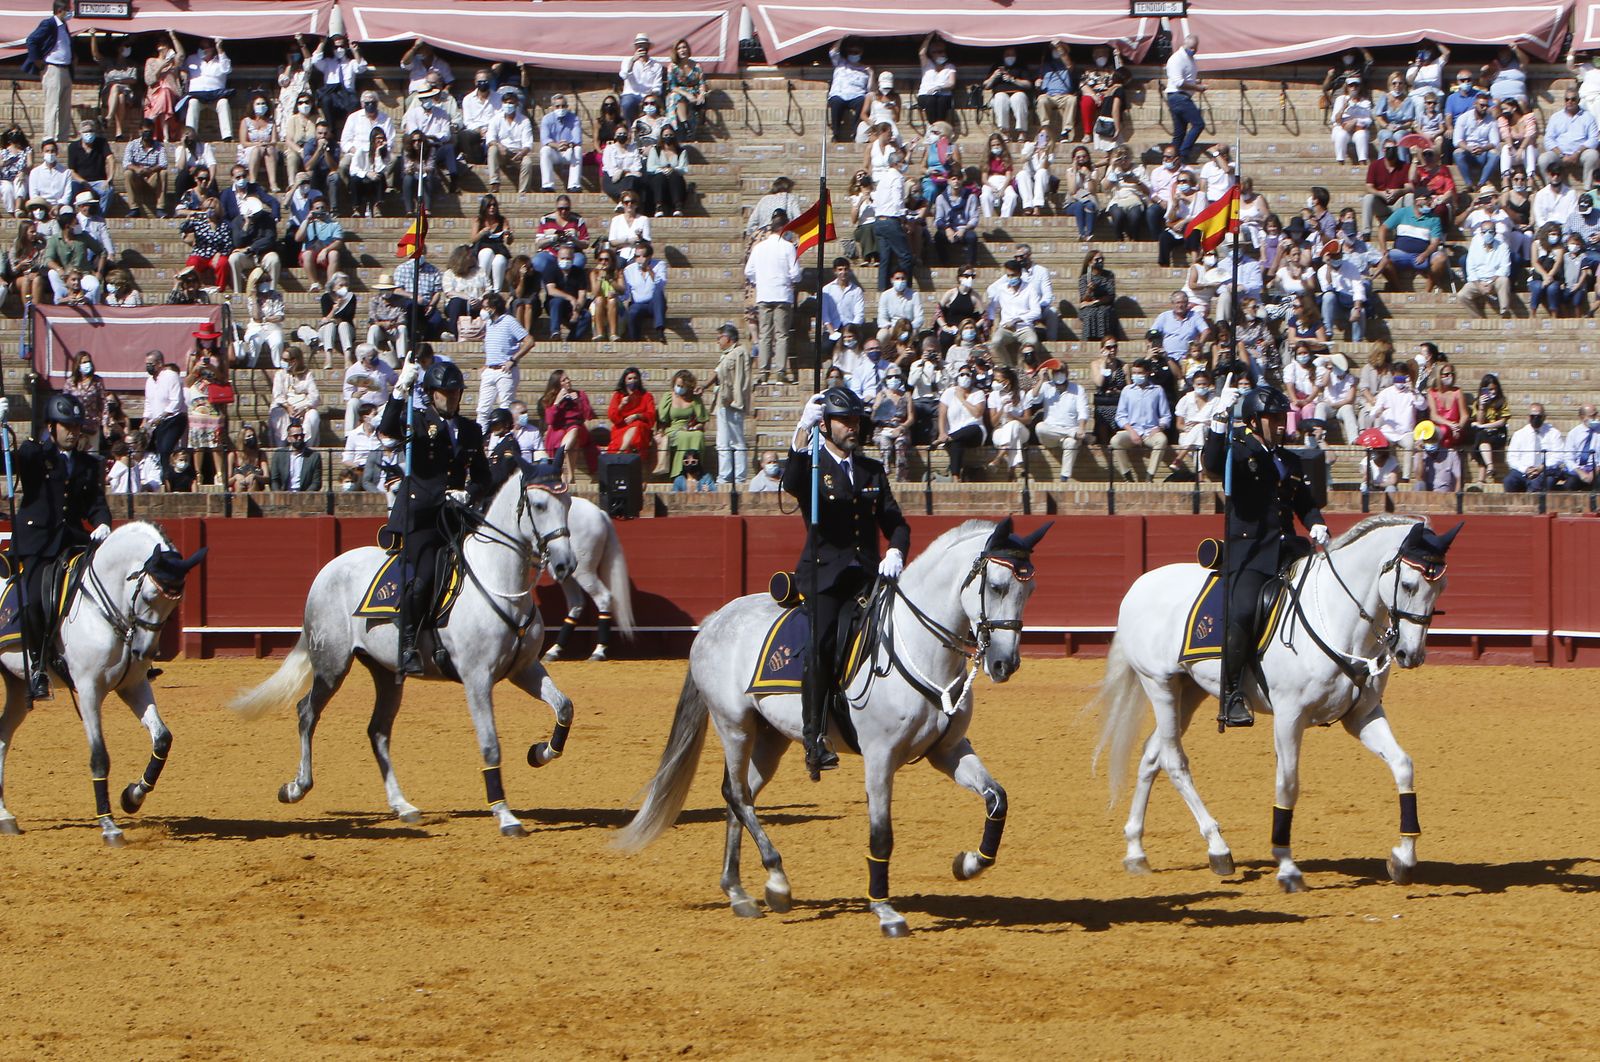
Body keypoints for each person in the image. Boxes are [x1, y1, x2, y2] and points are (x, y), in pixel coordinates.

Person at [784, 386, 909, 778]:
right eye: (845, 420)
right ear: (826, 425)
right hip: (825, 576)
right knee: (820, 646)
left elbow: (895, 521)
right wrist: (800, 435)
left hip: (868, 576)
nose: (854, 427)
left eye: (857, 420)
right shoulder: (813, 466)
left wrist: (896, 551)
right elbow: (791, 482)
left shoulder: (872, 470)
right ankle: (814, 738)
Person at [1201, 386, 1328, 727]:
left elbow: (1304, 502)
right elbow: (1212, 465)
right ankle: (1231, 695)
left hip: (1290, 550)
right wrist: (1217, 423)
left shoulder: (1290, 459)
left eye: (1281, 417)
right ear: (1255, 421)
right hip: (1251, 552)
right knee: (1242, 610)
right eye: (1272, 418)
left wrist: (1316, 524)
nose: (1280, 423)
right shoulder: (1237, 452)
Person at [379, 358, 493, 674]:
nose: (453, 397)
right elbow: (387, 430)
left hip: (458, 516)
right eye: (446, 392)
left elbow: (484, 476)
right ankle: (408, 644)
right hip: (422, 517)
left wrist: (469, 492)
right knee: (425, 576)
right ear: (431, 393)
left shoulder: (472, 430)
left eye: (456, 392)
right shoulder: (417, 420)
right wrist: (400, 390)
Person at [2, 390, 111, 699]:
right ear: (51, 427)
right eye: (67, 427)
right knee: (34, 599)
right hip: (37, 545)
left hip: (72, 543)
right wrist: (3, 426)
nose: (73, 433)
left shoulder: (89, 464)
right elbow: (19, 456)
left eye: (77, 427)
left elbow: (97, 504)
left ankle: (124, 655)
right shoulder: (37, 455)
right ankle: (38, 667)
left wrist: (103, 523)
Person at [745, 213, 800, 385]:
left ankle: (763, 371)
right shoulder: (788, 247)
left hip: (764, 294)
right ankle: (780, 371)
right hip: (782, 294)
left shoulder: (759, 247)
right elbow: (796, 273)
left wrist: (759, 280)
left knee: (765, 334)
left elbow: (748, 271)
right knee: (781, 334)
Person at [476, 292, 533, 428]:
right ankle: (480, 438)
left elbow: (529, 341)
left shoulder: (509, 321)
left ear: (493, 308)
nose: (483, 311)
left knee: (505, 407)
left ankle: (505, 438)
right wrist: (486, 364)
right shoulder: (489, 323)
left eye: (485, 307)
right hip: (490, 370)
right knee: (482, 409)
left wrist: (513, 360)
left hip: (505, 370)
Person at [23, 0, 76, 145]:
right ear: (60, 10)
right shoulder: (49, 24)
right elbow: (32, 40)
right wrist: (37, 60)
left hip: (65, 69)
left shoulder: (64, 26)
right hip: (52, 68)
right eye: (68, 9)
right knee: (53, 105)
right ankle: (49, 137)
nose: (70, 12)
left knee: (65, 106)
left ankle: (63, 137)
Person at [706, 323, 752, 487]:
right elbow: (718, 373)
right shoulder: (726, 355)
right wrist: (704, 386)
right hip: (722, 402)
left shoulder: (739, 352)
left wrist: (736, 398)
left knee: (736, 440)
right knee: (722, 442)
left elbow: (741, 379)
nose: (718, 341)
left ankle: (740, 477)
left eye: (720, 337)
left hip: (733, 402)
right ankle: (724, 477)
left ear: (728, 337)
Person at [1031, 358, 1090, 481]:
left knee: (1072, 443)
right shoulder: (1046, 387)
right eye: (1056, 371)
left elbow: (1083, 410)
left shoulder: (1078, 389)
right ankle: (1072, 434)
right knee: (1039, 427)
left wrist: (1082, 428)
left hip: (1069, 434)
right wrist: (1041, 379)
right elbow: (1032, 399)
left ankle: (1064, 478)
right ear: (1052, 373)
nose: (1059, 373)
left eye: (1062, 370)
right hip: (1051, 434)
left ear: (1067, 373)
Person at [1538, 89, 1600, 188]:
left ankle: (1587, 189)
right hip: (1559, 154)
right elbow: (1548, 139)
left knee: (1593, 155)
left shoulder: (1588, 117)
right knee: (1543, 159)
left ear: (1578, 100)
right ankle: (1550, 189)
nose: (1569, 102)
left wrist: (1577, 153)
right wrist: (1561, 155)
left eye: (1573, 99)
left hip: (1580, 155)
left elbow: (1593, 139)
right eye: (1567, 99)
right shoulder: (1556, 117)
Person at [1503, 404, 1567, 493]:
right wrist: (1526, 469)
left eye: (1538, 416)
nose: (1535, 419)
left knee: (1547, 482)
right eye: (1533, 416)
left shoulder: (1553, 433)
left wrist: (1542, 467)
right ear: (1528, 417)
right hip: (1523, 471)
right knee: (1509, 481)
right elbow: (1512, 458)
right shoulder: (1519, 434)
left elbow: (1559, 456)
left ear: (1544, 417)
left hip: (1546, 471)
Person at [656, 369, 705, 481]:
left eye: (682, 386)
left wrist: (696, 427)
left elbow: (702, 420)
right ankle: (679, 472)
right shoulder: (668, 397)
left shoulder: (694, 399)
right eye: (678, 385)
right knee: (683, 436)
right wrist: (659, 432)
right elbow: (662, 419)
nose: (679, 388)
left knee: (698, 436)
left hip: (689, 428)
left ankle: (696, 471)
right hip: (673, 429)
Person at [1458, 220, 1512, 319]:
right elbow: (1471, 269)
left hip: (1495, 281)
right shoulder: (1475, 246)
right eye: (1484, 232)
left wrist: (1491, 283)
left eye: (1490, 231)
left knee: (1504, 280)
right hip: (1478, 282)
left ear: (1495, 233)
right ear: (1481, 233)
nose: (1487, 234)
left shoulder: (1503, 246)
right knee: (1462, 295)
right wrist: (1479, 286)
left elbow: (1505, 268)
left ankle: (1504, 311)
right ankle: (1478, 318)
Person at [1165, 34, 1206, 161]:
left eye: (1195, 48)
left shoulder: (1189, 58)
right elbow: (1179, 82)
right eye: (1191, 47)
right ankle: (1183, 154)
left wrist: (1195, 83)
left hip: (1179, 96)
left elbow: (1186, 79)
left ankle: (1174, 158)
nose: (1193, 50)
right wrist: (1197, 88)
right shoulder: (1177, 59)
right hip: (1178, 96)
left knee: (1179, 132)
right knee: (1198, 124)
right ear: (1185, 44)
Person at [269, 346, 320, 445]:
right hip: (284, 406)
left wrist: (305, 409)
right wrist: (287, 407)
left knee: (313, 415)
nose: (283, 361)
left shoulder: (307, 374)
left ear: (294, 361)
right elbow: (278, 395)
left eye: (286, 360)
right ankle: (282, 445)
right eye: (282, 359)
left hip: (303, 407)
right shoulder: (280, 374)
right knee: (277, 413)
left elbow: (315, 396)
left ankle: (306, 444)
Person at [621, 239, 667, 342]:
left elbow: (660, 285)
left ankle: (660, 330)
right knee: (633, 310)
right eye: (637, 256)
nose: (640, 259)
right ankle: (634, 339)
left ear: (650, 256)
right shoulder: (629, 270)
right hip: (639, 304)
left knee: (658, 292)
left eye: (643, 256)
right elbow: (626, 292)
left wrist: (649, 270)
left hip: (654, 304)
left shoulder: (660, 265)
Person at [827, 40, 872, 143]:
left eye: (856, 52)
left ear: (861, 53)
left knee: (862, 101)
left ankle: (855, 133)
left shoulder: (864, 69)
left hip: (857, 96)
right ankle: (836, 134)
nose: (853, 54)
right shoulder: (840, 63)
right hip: (839, 94)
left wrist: (871, 72)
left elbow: (871, 89)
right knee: (835, 102)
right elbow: (833, 52)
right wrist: (842, 37)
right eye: (851, 52)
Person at [985, 47, 1034, 142]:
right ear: (1003, 56)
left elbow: (1028, 84)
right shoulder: (997, 66)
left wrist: (1012, 79)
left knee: (1018, 98)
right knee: (1000, 98)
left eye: (1012, 55)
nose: (1010, 57)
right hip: (1001, 94)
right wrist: (994, 76)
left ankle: (1022, 132)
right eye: (1007, 55)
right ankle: (1005, 132)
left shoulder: (1021, 66)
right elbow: (986, 85)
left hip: (1018, 93)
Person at [606, 366, 656, 457]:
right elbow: (612, 417)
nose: (633, 381)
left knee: (638, 425)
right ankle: (623, 452)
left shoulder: (647, 396)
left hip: (641, 430)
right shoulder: (618, 395)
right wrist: (621, 405)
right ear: (625, 380)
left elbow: (651, 415)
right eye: (630, 378)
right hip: (622, 428)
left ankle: (622, 451)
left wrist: (637, 416)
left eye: (635, 378)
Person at [538, 93, 583, 193]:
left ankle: (574, 185)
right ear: (552, 107)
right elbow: (545, 139)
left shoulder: (574, 118)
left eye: (563, 106)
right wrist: (557, 145)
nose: (560, 108)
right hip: (554, 151)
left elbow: (577, 139)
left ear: (567, 107)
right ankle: (547, 185)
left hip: (568, 151)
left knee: (578, 149)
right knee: (545, 150)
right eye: (557, 106)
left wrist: (568, 145)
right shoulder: (546, 119)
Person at [619, 34, 665, 126]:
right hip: (631, 93)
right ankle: (630, 129)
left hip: (648, 94)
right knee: (627, 104)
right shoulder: (627, 61)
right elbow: (623, 75)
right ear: (635, 47)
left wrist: (653, 93)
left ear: (648, 47)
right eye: (639, 45)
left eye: (644, 45)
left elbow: (657, 85)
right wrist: (632, 62)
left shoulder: (656, 65)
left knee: (652, 104)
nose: (642, 48)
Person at [1563, 405, 1600, 491]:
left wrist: (1595, 472)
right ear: (1582, 417)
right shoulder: (1573, 434)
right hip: (1579, 470)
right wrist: (1580, 473)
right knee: (1569, 485)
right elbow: (1568, 458)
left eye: (1596, 415)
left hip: (1596, 469)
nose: (1595, 418)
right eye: (1592, 416)